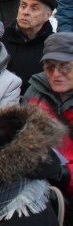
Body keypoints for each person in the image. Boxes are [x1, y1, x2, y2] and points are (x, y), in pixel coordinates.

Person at [24, 32, 73, 194]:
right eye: (50, 66)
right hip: (35, 179)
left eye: (65, 67)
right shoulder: (35, 90)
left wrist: (63, 175)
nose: (56, 74)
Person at [2, 0, 56, 94]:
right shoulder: (1, 36)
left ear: (47, 15)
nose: (25, 12)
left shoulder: (52, 46)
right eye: (23, 6)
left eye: (34, 8)